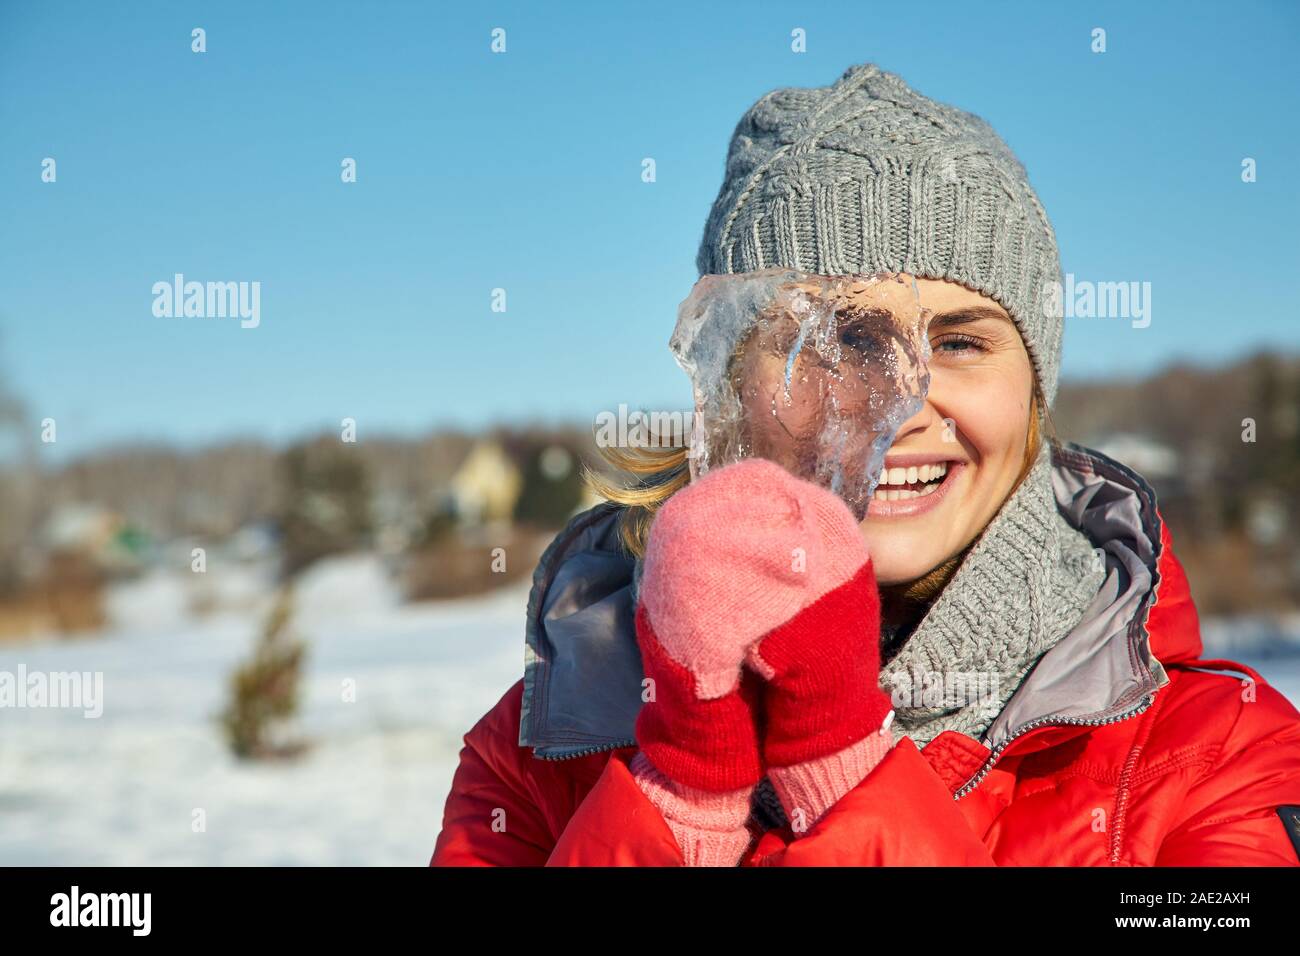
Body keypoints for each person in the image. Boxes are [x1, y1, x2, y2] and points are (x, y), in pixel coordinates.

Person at [430, 62, 1300, 866]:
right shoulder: (537, 755)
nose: (901, 401)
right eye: (835, 339)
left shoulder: (1217, 758)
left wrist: (839, 757)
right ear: (728, 377)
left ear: (1034, 390)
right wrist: (684, 793)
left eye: (958, 341)